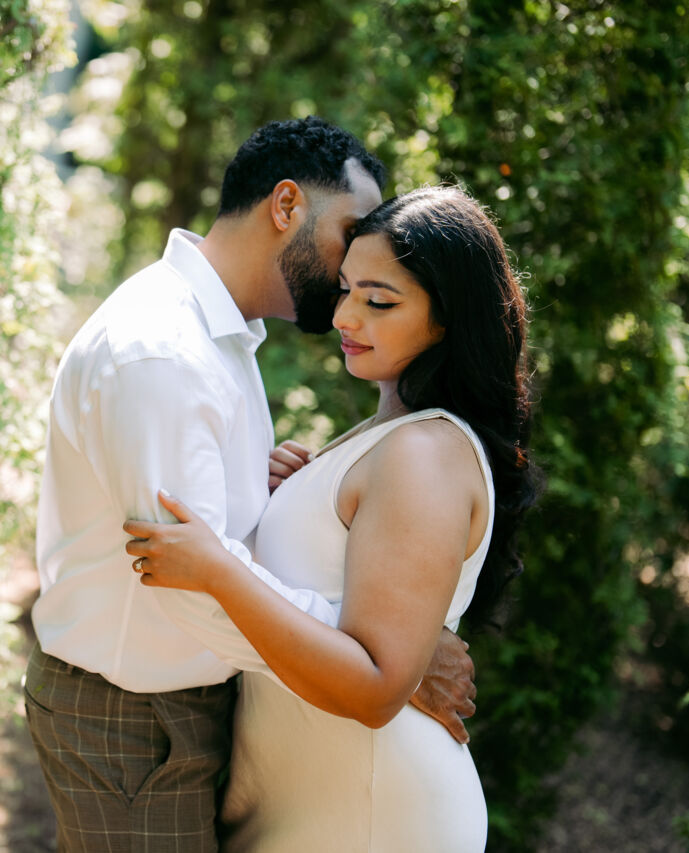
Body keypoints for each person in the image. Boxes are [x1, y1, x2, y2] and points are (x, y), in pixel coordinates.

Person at [25, 118, 478, 852]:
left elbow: (212, 547)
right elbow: (189, 588)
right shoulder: (163, 353)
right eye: (350, 231)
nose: (354, 262)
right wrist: (380, 655)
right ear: (287, 205)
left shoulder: (218, 337)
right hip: (133, 720)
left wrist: (276, 500)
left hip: (175, 710)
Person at [124, 185, 540, 851]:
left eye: (380, 301)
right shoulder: (390, 435)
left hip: (371, 808)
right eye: (346, 289)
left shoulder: (424, 453)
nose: (345, 315)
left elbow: (375, 688)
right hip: (310, 791)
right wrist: (296, 493)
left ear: (448, 317)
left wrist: (218, 569)